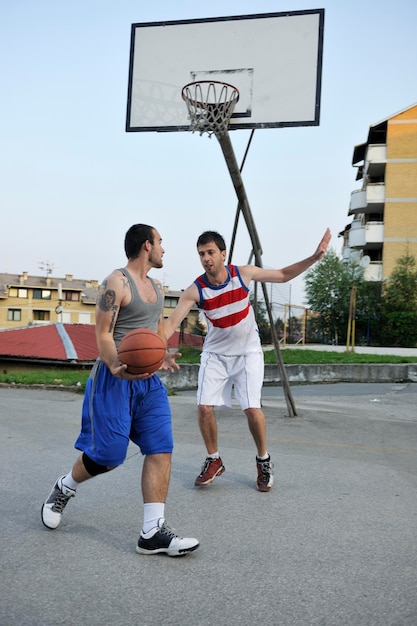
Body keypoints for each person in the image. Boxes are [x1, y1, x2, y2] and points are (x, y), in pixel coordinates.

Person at [41, 224, 199, 557]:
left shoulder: (156, 287)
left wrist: (162, 353)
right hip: (113, 380)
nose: (163, 250)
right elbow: (102, 335)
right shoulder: (116, 283)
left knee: (161, 448)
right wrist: (115, 365)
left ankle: (151, 532)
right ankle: (64, 487)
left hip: (149, 383)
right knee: (109, 456)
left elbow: (154, 334)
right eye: (160, 243)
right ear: (146, 246)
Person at [162, 228, 331, 492]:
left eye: (210, 253)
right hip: (215, 355)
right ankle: (214, 459)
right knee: (204, 407)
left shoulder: (243, 273)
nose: (206, 258)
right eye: (201, 254)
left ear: (222, 254)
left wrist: (314, 258)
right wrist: (160, 350)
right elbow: (171, 323)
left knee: (252, 409)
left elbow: (284, 275)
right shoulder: (196, 290)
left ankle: (263, 461)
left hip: (248, 354)